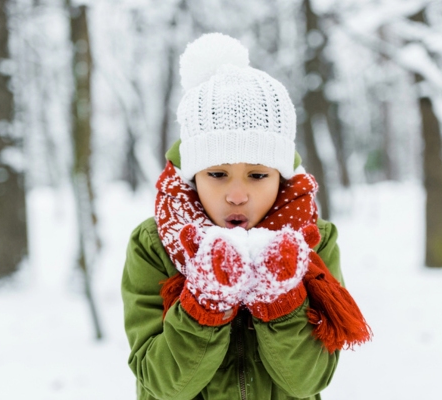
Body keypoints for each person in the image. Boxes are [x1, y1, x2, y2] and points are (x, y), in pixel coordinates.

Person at [121, 33, 371, 400]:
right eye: (217, 174)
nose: (237, 195)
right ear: (193, 175)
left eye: (257, 175)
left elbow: (309, 380)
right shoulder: (155, 244)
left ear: (281, 176)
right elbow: (162, 384)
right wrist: (203, 303)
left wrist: (281, 299)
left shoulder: (312, 240)